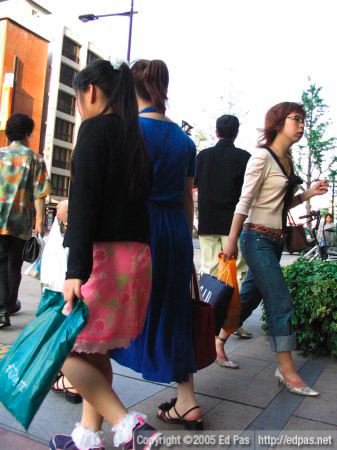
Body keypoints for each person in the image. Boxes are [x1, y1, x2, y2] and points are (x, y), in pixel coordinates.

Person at [49, 60, 162, 450]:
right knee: (94, 350)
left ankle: (130, 426)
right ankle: (87, 438)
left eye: (79, 97)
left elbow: (84, 203)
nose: (80, 106)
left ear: (91, 91)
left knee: (62, 346)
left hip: (102, 258)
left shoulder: (95, 130)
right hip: (135, 259)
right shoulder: (135, 137)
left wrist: (75, 269)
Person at [111, 59, 203, 430]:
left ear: (133, 90)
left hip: (137, 226)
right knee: (174, 310)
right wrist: (186, 246)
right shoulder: (185, 141)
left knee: (110, 304)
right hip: (174, 232)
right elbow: (187, 200)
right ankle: (188, 400)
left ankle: (82, 381)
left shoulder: (126, 131)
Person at [221, 102, 328, 396]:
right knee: (280, 301)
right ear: (279, 122)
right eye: (297, 119)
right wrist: (231, 240)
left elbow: (282, 205)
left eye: (304, 120)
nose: (302, 125)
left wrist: (309, 193)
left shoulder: (288, 160)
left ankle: (217, 342)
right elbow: (245, 202)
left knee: (248, 299)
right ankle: (287, 370)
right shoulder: (261, 157)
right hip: (255, 238)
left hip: (275, 240)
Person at [195, 114, 252, 351]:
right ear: (236, 133)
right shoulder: (244, 157)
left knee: (209, 272)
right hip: (233, 225)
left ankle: (207, 321)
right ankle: (231, 322)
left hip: (207, 222)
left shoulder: (203, 156)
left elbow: (194, 185)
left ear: (216, 132)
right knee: (237, 274)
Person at [0, 113, 51, 329]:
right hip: (21, 220)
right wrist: (40, 221)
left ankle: (3, 310)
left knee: (1, 263)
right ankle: (9, 304)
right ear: (28, 133)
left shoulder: (0, 155)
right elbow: (40, 193)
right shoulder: (35, 159)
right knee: (15, 263)